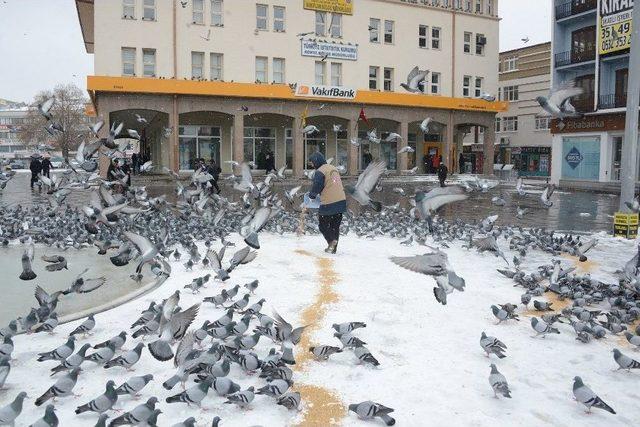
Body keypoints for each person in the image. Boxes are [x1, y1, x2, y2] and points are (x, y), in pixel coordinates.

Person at [308, 152, 347, 254]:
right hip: (341, 200)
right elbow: (334, 183)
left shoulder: (321, 171)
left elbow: (317, 185)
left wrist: (312, 195)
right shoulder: (333, 168)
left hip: (329, 202)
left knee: (323, 225)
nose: (312, 165)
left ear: (316, 161)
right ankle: (333, 248)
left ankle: (331, 241)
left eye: (312, 163)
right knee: (335, 226)